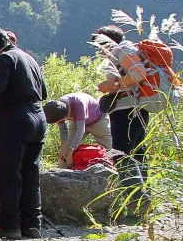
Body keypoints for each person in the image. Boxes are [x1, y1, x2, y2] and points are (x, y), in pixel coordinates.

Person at [0, 27, 48, 239]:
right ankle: (32, 224)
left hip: (16, 118)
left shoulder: (5, 58)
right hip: (38, 118)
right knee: (30, 172)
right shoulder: (29, 57)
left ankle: (9, 225)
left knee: (7, 172)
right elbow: (43, 92)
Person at [91, 24, 149, 165]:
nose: (99, 51)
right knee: (137, 153)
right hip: (134, 107)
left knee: (121, 154)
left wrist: (113, 84)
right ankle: (139, 186)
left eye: (99, 46)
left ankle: (129, 186)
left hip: (126, 110)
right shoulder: (126, 49)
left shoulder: (122, 49)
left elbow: (139, 73)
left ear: (107, 42)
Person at [43, 92, 112, 168]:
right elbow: (64, 132)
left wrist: (70, 153)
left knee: (111, 148)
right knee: (66, 153)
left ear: (65, 116)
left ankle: (118, 170)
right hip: (77, 121)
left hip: (98, 119)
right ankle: (61, 173)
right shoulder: (55, 109)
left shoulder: (78, 103)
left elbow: (80, 130)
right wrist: (64, 154)